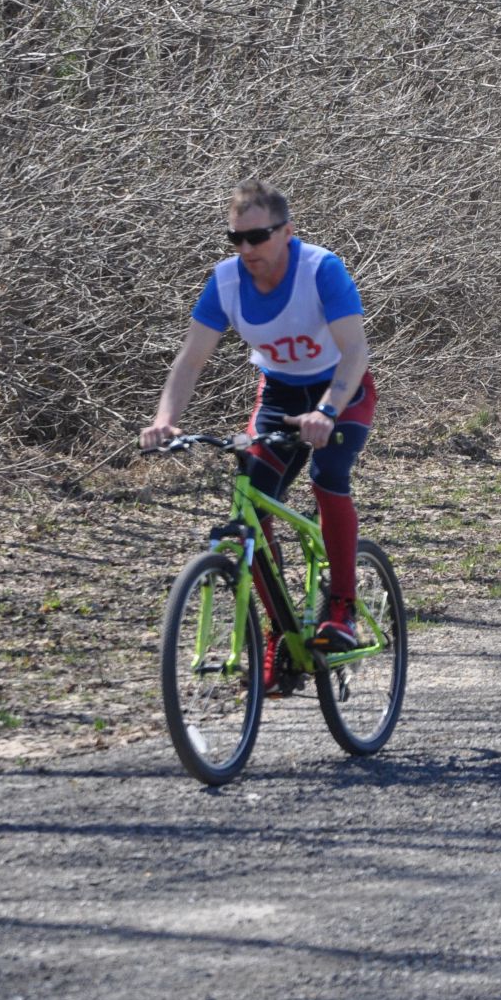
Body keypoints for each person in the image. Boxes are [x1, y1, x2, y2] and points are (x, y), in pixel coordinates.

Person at [140, 179, 376, 657]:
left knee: (327, 475)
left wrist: (327, 412)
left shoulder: (320, 270)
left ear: (288, 231)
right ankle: (278, 631)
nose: (246, 249)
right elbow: (189, 361)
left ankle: (342, 608)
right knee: (252, 503)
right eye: (236, 239)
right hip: (281, 395)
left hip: (342, 392)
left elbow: (356, 351)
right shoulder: (226, 281)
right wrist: (165, 419)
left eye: (257, 237)